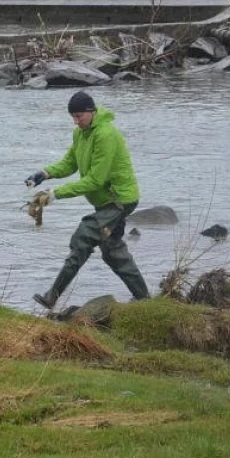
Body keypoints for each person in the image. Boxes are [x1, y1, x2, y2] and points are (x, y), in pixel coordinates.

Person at [25, 90, 150, 309]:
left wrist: (54, 195)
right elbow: (69, 163)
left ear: (91, 111)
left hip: (119, 200)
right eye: (72, 116)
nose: (76, 121)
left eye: (79, 116)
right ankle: (144, 300)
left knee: (82, 238)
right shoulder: (80, 134)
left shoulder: (106, 135)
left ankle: (51, 296)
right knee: (112, 252)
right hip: (106, 204)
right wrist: (44, 174)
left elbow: (95, 180)